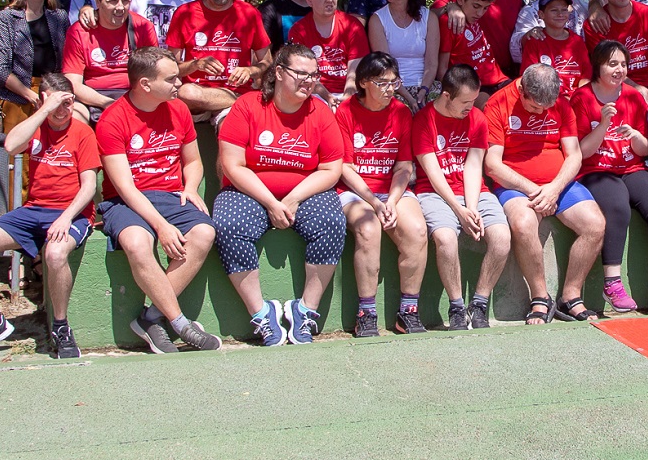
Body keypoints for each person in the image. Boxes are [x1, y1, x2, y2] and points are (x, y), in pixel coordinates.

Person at [212, 44, 350, 346]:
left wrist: (293, 199)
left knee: (331, 222)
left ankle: (305, 311)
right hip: (249, 190)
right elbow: (233, 165)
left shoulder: (321, 112)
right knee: (228, 225)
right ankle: (262, 313)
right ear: (278, 72)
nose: (308, 81)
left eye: (313, 75)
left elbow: (330, 168)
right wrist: (271, 202)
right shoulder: (248, 106)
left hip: (305, 191)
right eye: (300, 73)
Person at [92, 47, 223, 353]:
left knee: (204, 232)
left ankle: (151, 317)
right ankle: (180, 324)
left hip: (171, 195)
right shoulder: (113, 119)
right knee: (138, 243)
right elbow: (125, 188)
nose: (180, 83)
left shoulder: (178, 110)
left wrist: (191, 188)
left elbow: (193, 162)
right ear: (145, 84)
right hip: (127, 202)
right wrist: (161, 226)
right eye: (172, 78)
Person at [0, 75, 100, 360]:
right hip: (33, 209)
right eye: (55, 102)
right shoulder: (35, 126)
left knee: (55, 254)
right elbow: (11, 146)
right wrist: (43, 110)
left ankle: (61, 327)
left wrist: (66, 218)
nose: (62, 110)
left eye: (68, 103)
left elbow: (89, 186)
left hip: (71, 212)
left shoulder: (82, 133)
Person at [485, 63, 604, 323]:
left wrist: (554, 188)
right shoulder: (498, 104)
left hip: (557, 184)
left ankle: (571, 295)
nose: (541, 112)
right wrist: (534, 190)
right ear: (522, 91)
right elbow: (492, 164)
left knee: (595, 224)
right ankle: (541, 296)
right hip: (517, 185)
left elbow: (574, 155)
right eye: (535, 107)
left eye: (545, 108)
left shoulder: (560, 104)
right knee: (523, 223)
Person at [572, 39, 648, 313]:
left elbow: (645, 150)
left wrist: (636, 136)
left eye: (623, 64)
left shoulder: (633, 96)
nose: (619, 70)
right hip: (596, 170)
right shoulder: (581, 98)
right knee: (617, 208)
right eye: (612, 64)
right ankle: (612, 283)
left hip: (630, 167)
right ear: (598, 66)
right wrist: (603, 124)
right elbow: (581, 152)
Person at [333, 52, 432, 336]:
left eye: (394, 82)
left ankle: (408, 312)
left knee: (416, 231)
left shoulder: (400, 112)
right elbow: (345, 167)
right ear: (364, 82)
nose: (390, 89)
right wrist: (375, 202)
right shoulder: (346, 111)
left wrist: (392, 200)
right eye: (382, 83)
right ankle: (366, 312)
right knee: (368, 228)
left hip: (391, 190)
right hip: (355, 190)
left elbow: (403, 167)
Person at [411, 64, 514, 329]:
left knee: (502, 237)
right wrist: (459, 211)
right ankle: (456, 305)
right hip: (434, 192)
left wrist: (471, 208)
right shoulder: (424, 120)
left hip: (472, 191)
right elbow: (432, 172)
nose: (471, 106)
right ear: (446, 96)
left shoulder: (477, 118)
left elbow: (473, 165)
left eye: (474, 99)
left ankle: (479, 302)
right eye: (465, 102)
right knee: (445, 239)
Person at [166, 0, 272, 118]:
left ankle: (239, 100)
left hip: (233, 91)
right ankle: (243, 100)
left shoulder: (249, 14)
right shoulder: (184, 13)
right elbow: (171, 68)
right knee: (185, 92)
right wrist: (196, 65)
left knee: (230, 126)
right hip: (196, 95)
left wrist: (250, 71)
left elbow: (267, 62)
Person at [0, 0, 70, 139]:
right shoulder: (7, 18)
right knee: (19, 161)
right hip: (18, 97)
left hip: (52, 93)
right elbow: (0, 70)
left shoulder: (59, 17)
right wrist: (30, 95)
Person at [61, 0, 157, 114]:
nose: (120, 7)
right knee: (74, 115)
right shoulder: (79, 31)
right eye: (112, 1)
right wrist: (107, 103)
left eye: (125, 1)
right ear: (98, 2)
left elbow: (154, 72)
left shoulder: (142, 27)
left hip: (135, 95)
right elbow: (73, 83)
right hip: (92, 97)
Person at [288, 0, 371, 102]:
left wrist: (347, 96)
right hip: (313, 93)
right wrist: (327, 97)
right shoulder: (298, 30)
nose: (330, 0)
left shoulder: (353, 26)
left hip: (349, 92)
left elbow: (355, 70)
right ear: (309, 0)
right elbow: (303, 74)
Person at [367, 0, 439, 106]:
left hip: (425, 86)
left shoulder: (429, 18)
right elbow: (385, 66)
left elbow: (432, 63)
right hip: (393, 88)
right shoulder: (377, 20)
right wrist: (410, 98)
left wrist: (423, 91)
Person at [439, 0, 511, 94]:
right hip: (473, 86)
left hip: (499, 79)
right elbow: (442, 69)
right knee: (492, 108)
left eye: (485, 8)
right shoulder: (450, 22)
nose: (480, 13)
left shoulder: (474, 16)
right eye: (476, 6)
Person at [519, 0, 592, 92]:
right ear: (541, 14)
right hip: (547, 99)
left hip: (575, 98)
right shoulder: (535, 41)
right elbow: (529, 79)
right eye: (554, 10)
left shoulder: (577, 41)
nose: (560, 14)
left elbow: (586, 77)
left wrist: (579, 97)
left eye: (564, 9)